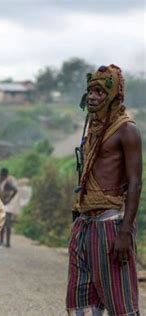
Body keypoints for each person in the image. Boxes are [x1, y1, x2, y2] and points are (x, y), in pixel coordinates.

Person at [66, 64, 142, 315]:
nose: (92, 96)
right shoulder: (93, 130)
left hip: (111, 225)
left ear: (113, 96)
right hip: (84, 223)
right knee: (82, 298)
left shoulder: (127, 131)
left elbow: (135, 183)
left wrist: (124, 232)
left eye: (99, 92)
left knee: (120, 300)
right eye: (90, 91)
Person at [0, 167, 18, 248]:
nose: (1, 176)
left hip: (8, 206)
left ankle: (7, 243)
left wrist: (9, 199)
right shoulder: (1, 181)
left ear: (5, 175)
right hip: (3, 205)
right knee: (2, 224)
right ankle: (1, 241)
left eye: (2, 175)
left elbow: (15, 190)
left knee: (7, 225)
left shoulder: (7, 182)